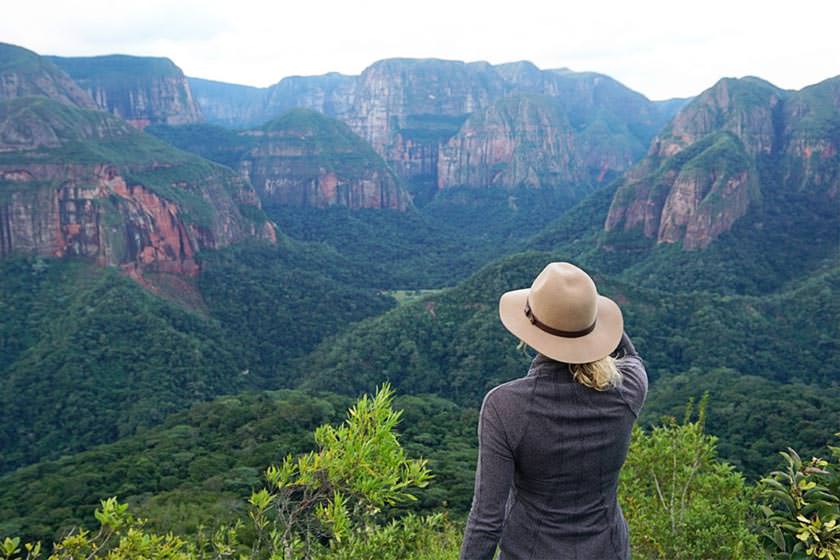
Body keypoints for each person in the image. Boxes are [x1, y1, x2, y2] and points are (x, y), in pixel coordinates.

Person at [460, 262, 648, 560]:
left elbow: (487, 520)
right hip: (608, 551)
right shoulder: (628, 389)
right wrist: (587, 316)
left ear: (529, 328)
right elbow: (629, 354)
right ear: (596, 327)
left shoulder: (504, 407)